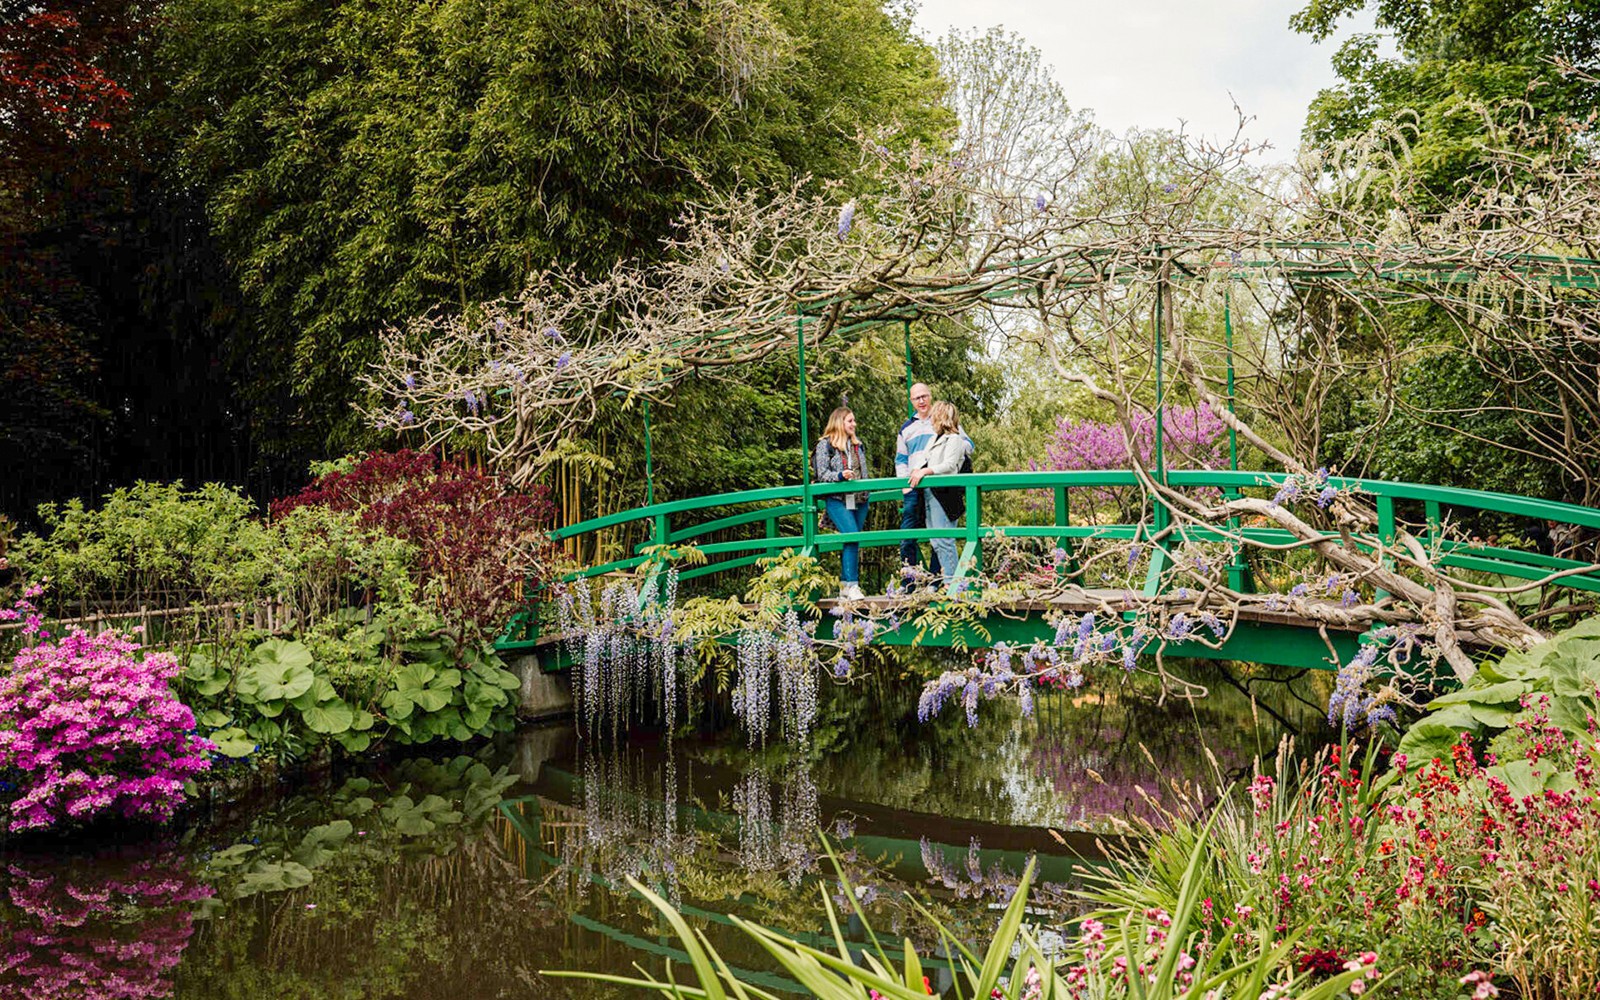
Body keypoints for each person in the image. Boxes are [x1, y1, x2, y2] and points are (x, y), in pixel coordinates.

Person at [909, 401, 973, 591]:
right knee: (936, 541)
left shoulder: (954, 439)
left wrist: (926, 471)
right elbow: (924, 460)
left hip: (945, 495)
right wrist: (916, 470)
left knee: (945, 540)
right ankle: (949, 581)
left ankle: (954, 583)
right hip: (930, 493)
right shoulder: (934, 438)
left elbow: (950, 465)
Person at [814, 406, 869, 600]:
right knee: (851, 535)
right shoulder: (825, 445)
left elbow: (864, 472)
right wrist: (840, 475)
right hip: (837, 499)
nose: (854, 424)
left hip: (860, 499)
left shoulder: (857, 445)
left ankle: (846, 585)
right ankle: (853, 585)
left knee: (852, 539)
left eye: (854, 421)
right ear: (839, 422)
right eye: (850, 421)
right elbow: (821, 475)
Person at [893, 383, 941, 575]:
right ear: (911, 401)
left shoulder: (941, 420)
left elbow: (966, 444)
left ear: (930, 397)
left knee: (938, 532)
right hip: (913, 485)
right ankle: (909, 580)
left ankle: (936, 579)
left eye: (924, 396)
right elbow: (900, 459)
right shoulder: (907, 428)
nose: (921, 401)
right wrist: (905, 485)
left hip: (937, 484)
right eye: (916, 398)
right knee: (907, 535)